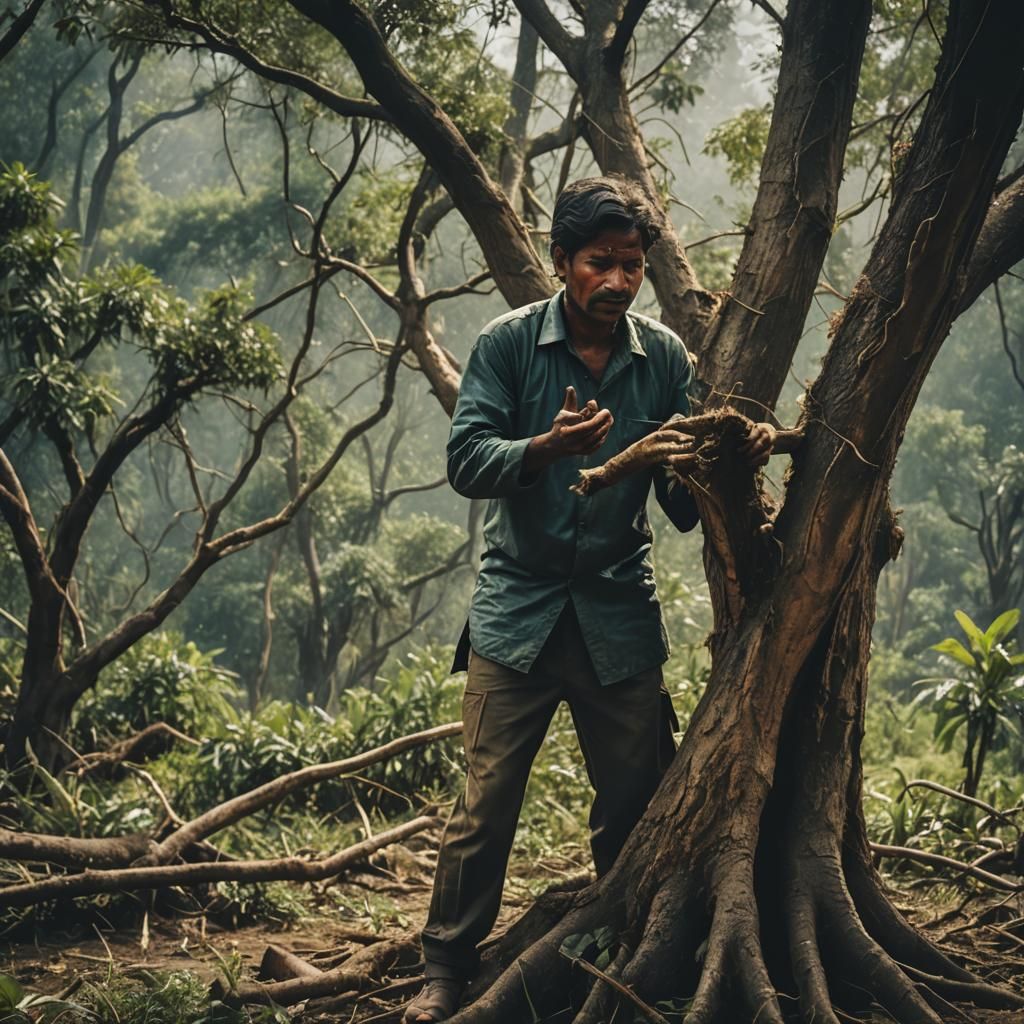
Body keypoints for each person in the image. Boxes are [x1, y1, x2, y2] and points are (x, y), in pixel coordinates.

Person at [404, 176, 774, 1023]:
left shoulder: (665, 359)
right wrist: (543, 446)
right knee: (485, 806)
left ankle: (628, 959)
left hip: (618, 615)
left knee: (636, 804)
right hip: (517, 615)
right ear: (561, 261)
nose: (616, 282)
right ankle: (444, 973)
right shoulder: (505, 346)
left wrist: (726, 455)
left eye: (631, 266)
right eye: (599, 263)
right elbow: (466, 462)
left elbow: (684, 507)